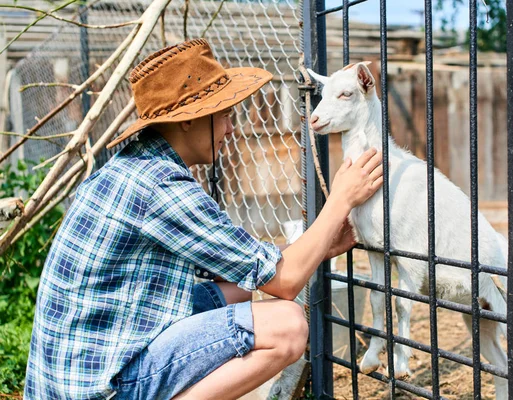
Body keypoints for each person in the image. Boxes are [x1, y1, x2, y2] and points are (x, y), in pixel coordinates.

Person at [24, 39, 383, 400]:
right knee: (287, 326)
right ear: (190, 119)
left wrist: (319, 245)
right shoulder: (163, 187)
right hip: (101, 388)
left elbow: (250, 268)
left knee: (240, 289)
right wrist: (340, 199)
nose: (230, 128)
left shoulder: (135, 166)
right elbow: (285, 280)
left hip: (72, 377)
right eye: (224, 113)